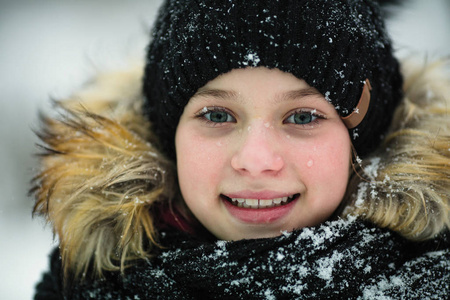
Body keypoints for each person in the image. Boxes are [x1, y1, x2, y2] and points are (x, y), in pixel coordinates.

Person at [32, 0, 449, 299]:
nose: (255, 160)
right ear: (168, 136)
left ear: (367, 137)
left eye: (302, 117)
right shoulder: (88, 282)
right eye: (216, 116)